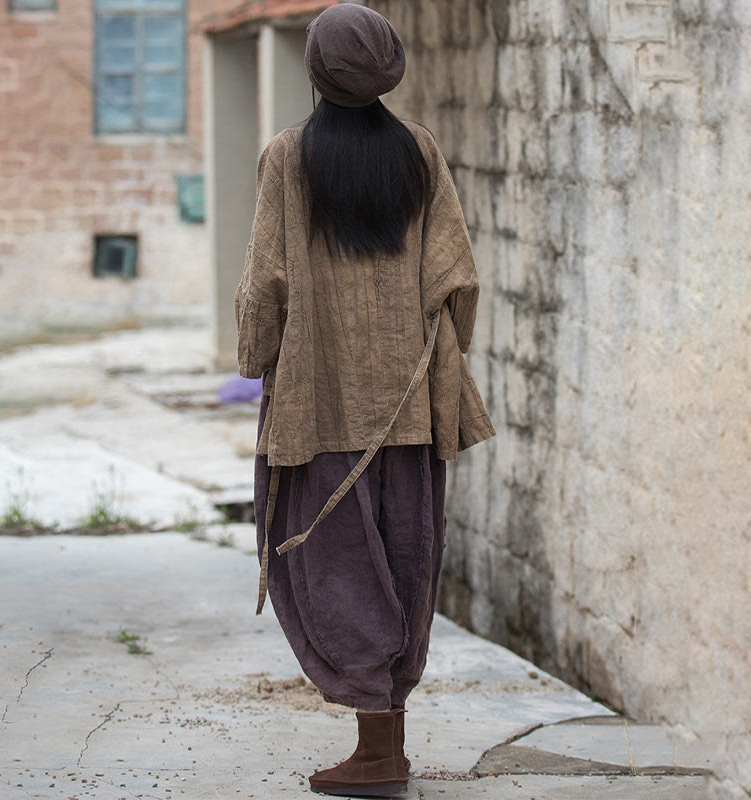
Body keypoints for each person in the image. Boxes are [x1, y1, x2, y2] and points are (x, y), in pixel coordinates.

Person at [234, 5, 495, 797]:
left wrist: (255, 359)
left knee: (339, 568)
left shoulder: (288, 156)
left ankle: (378, 754)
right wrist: (438, 358)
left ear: (314, 74)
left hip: (321, 409)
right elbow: (458, 277)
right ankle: (388, 744)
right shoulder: (419, 151)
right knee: (406, 564)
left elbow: (267, 283)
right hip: (409, 407)